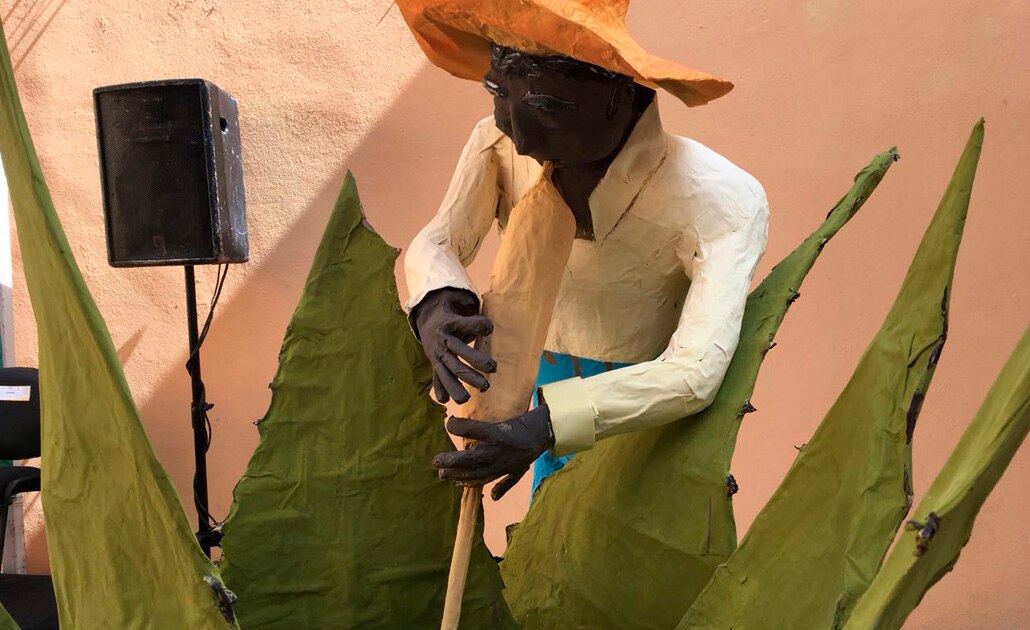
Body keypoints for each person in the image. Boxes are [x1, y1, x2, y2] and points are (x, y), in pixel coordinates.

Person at [398, 0, 769, 501]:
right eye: (500, 97)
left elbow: (695, 371)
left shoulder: (718, 197)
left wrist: (551, 423)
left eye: (548, 111)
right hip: (534, 384)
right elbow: (441, 238)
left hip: (643, 413)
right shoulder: (496, 144)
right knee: (544, 540)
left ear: (619, 94)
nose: (522, 138)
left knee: (616, 551)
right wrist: (439, 303)